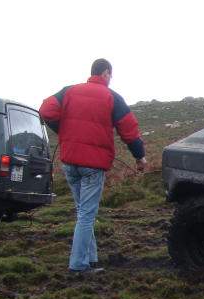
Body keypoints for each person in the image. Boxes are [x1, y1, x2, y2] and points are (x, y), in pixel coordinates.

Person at [40, 58, 147, 275]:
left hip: (70, 162)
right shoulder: (111, 97)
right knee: (87, 214)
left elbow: (46, 110)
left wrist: (64, 130)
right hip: (92, 165)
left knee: (82, 212)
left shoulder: (69, 91)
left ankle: (90, 258)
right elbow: (129, 129)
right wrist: (140, 157)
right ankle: (78, 265)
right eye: (111, 75)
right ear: (106, 73)